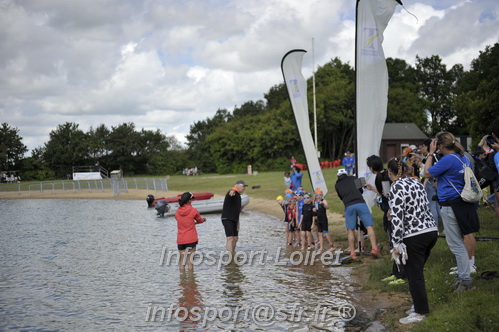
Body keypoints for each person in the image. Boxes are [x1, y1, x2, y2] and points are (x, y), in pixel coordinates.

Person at [423, 132, 479, 291]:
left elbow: (426, 172)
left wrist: (430, 154)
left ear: (440, 146)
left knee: (456, 244)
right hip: (462, 203)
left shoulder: (447, 159)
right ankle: (463, 276)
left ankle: (465, 280)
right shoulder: (463, 158)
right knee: (459, 241)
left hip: (450, 204)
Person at [387, 158, 438, 324]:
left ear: (390, 173)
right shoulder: (416, 183)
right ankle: (418, 305)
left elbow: (397, 218)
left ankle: (420, 312)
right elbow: (425, 206)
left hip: (413, 236)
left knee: (415, 276)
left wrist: (396, 242)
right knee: (415, 273)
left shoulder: (395, 188)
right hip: (430, 231)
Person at [365, 155, 406, 284]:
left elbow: (387, 194)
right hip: (394, 209)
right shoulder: (405, 181)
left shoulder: (380, 177)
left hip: (392, 211)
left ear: (372, 168)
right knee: (395, 241)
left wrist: (389, 208)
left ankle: (401, 274)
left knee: (395, 241)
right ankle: (396, 271)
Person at [334, 168, 380, 259]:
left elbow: (341, 197)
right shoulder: (354, 178)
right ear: (346, 174)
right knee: (369, 226)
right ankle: (374, 248)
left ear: (338, 176)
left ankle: (352, 253)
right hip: (360, 203)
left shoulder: (337, 185)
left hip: (349, 206)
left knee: (350, 230)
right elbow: (361, 191)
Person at [175, 192, 206, 271]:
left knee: (182, 263)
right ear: (189, 201)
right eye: (191, 199)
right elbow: (199, 220)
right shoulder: (193, 210)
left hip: (181, 239)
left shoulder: (177, 212)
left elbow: (181, 221)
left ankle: (182, 281)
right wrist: (203, 220)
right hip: (191, 239)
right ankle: (191, 281)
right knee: (190, 263)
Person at [221, 180, 248, 253]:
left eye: (245, 187)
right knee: (230, 238)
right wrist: (233, 190)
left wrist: (238, 223)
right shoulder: (233, 192)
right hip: (227, 218)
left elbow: (237, 211)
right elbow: (231, 192)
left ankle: (233, 252)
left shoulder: (239, 196)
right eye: (243, 186)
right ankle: (230, 255)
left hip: (234, 220)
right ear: (237, 185)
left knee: (235, 238)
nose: (244, 188)